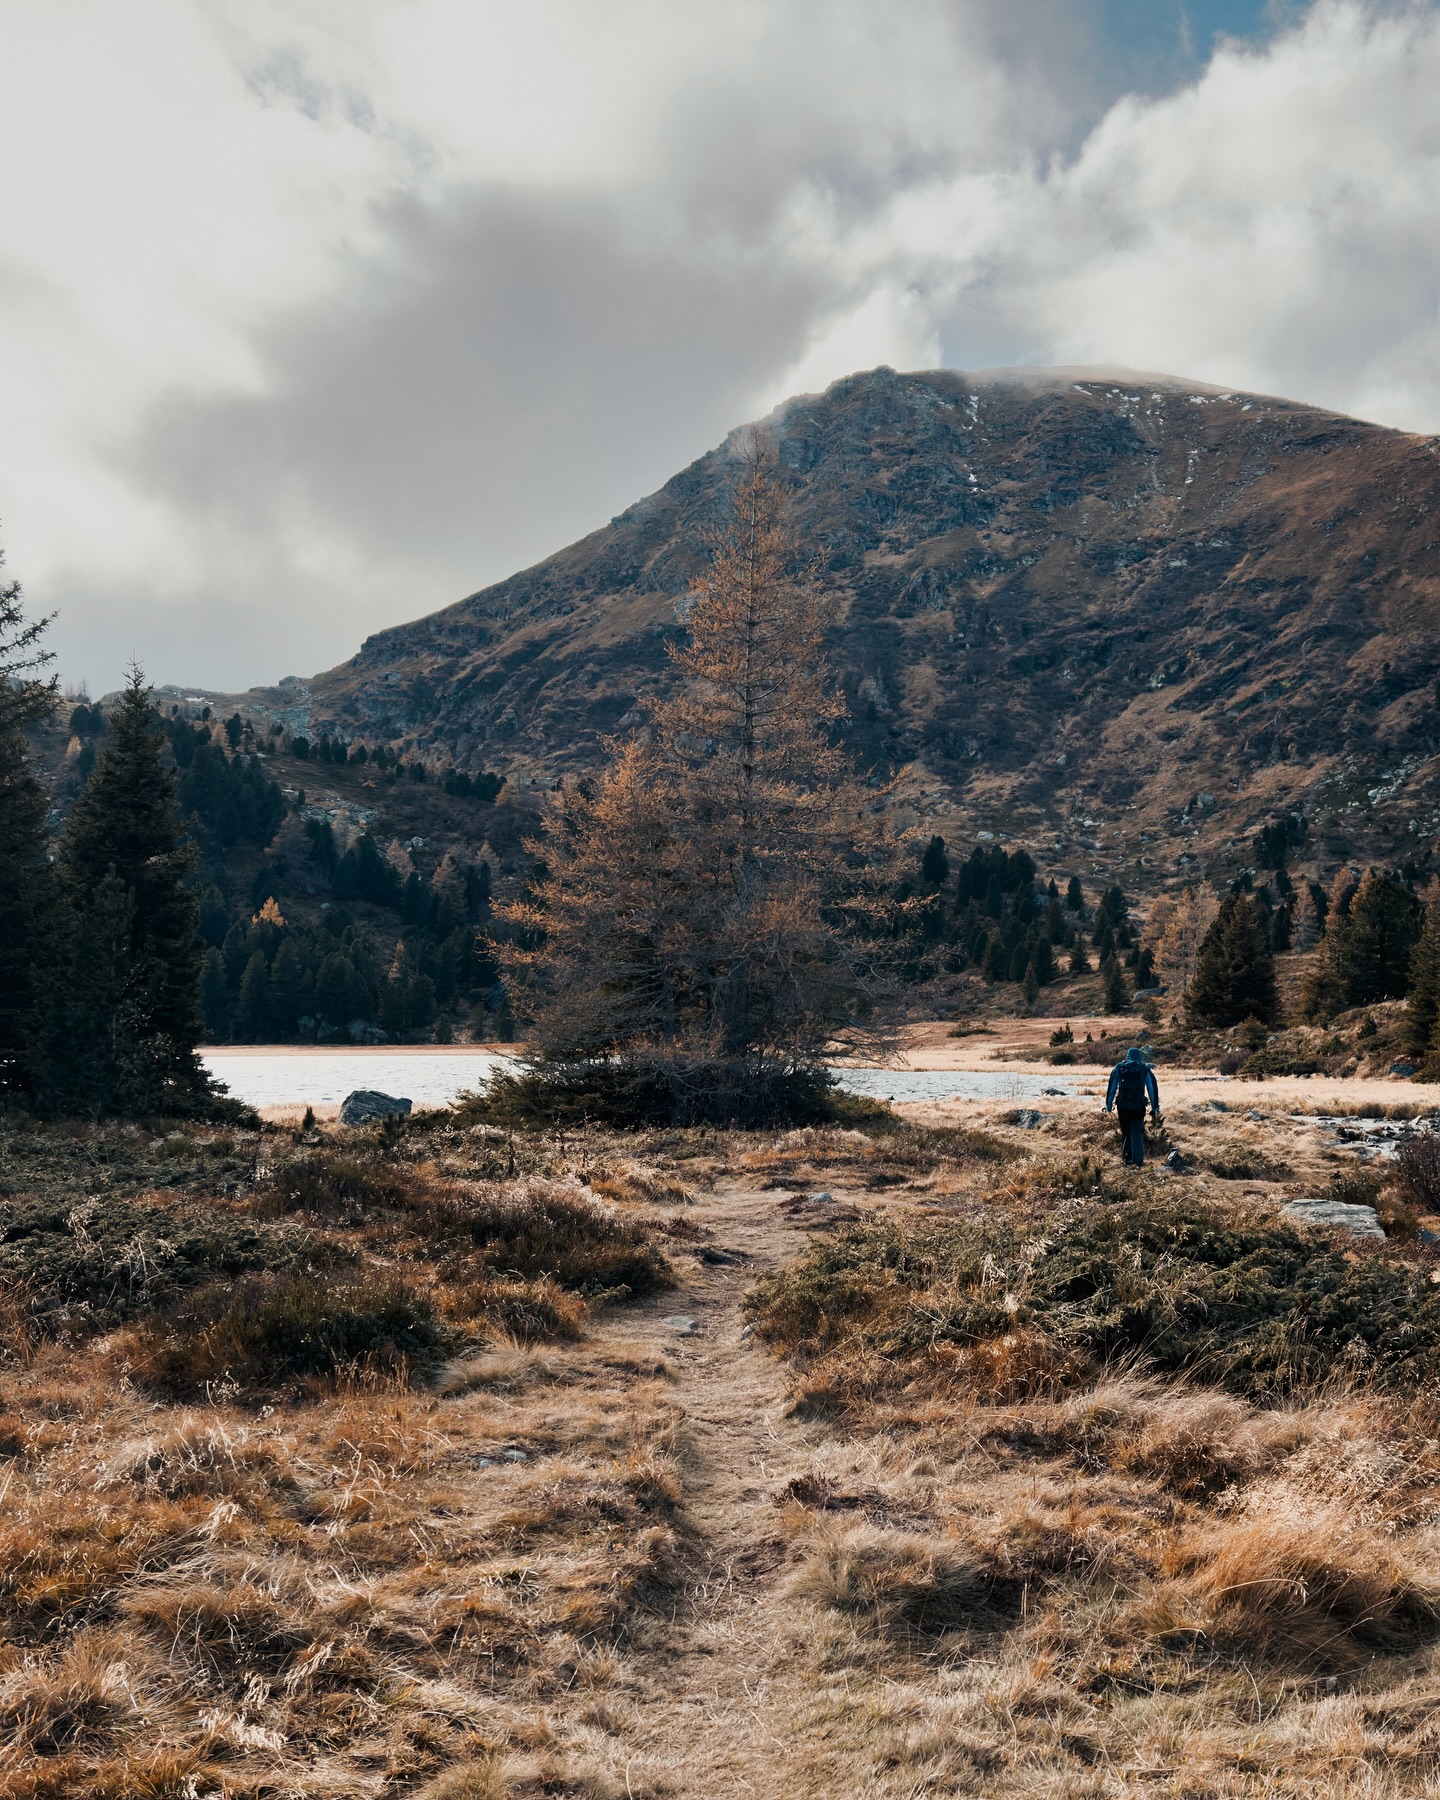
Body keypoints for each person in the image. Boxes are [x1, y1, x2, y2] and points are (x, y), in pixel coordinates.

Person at [1105, 1045, 1161, 1166]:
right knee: (1137, 1132)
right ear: (1140, 1057)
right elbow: (1152, 1088)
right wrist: (1155, 1107)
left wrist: (1108, 1106)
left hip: (1123, 1105)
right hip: (1138, 1106)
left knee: (1126, 1133)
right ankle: (1138, 1161)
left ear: (1127, 1056)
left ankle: (1127, 1159)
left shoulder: (1119, 1067)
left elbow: (1112, 1088)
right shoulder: (1144, 1068)